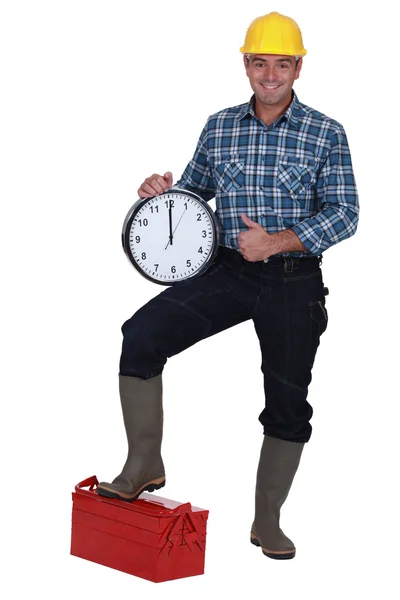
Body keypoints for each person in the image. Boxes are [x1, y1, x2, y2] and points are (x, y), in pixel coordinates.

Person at [96, 11, 359, 560]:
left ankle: (267, 521)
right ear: (246, 65)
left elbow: (346, 214)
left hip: (293, 282)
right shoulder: (220, 125)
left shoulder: (327, 133)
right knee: (141, 334)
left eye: (281, 63)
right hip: (227, 272)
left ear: (298, 67)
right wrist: (160, 191)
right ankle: (144, 465)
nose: (270, 74)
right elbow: (193, 194)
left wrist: (279, 240)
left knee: (287, 404)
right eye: (259, 62)